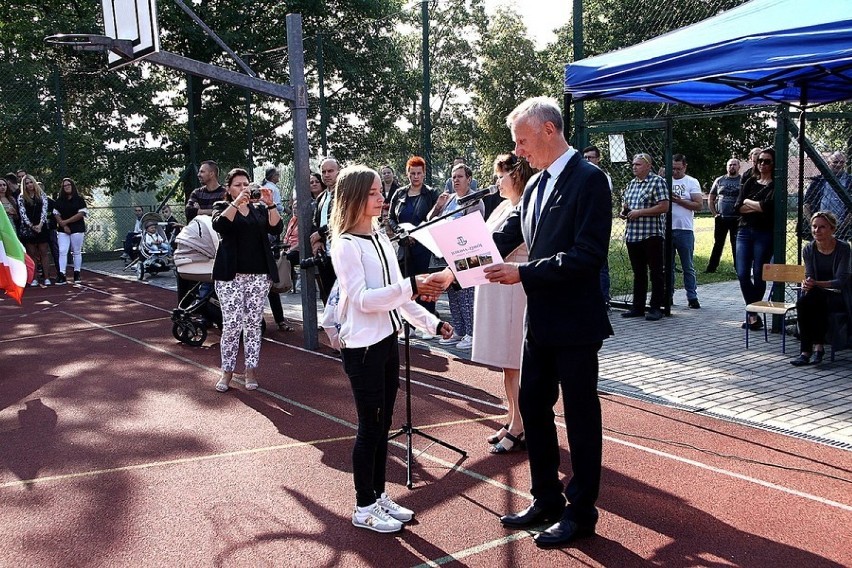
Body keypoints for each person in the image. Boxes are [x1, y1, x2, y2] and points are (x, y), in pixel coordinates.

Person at [431, 97, 612, 548]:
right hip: (540, 322)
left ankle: (581, 512)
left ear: (550, 130)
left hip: (575, 322)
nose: (519, 151)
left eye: (523, 140)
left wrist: (524, 273)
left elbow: (588, 256)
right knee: (532, 407)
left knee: (581, 415)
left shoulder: (591, 181)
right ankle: (546, 498)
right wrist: (449, 274)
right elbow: (503, 240)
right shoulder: (532, 188)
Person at [326, 165, 452, 533]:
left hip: (385, 343)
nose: (382, 198)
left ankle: (378, 495)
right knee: (370, 427)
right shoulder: (345, 244)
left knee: (382, 426)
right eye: (374, 193)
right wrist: (411, 285)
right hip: (361, 348)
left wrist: (431, 323)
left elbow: (399, 294)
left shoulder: (380, 238)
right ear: (354, 198)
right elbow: (365, 300)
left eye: (381, 191)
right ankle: (363, 506)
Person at [472, 153, 534, 454]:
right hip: (496, 287)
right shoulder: (501, 206)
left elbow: (498, 244)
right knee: (507, 365)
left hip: (513, 290)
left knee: (515, 361)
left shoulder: (525, 207)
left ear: (516, 176)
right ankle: (513, 417)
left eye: (502, 175)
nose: (497, 180)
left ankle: (522, 426)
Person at [211, 168, 283, 392]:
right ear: (229, 189)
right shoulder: (222, 207)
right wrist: (236, 204)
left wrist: (270, 203)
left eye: (246, 184)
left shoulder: (259, 209)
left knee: (253, 324)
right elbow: (220, 226)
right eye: (237, 185)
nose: (243, 188)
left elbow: (277, 227)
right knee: (232, 324)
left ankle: (250, 369)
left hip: (259, 275)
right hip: (230, 276)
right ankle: (227, 372)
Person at [428, 163, 484, 350]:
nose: (456, 180)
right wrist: (438, 206)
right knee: (453, 296)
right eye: (453, 177)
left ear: (469, 179)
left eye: (460, 176)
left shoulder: (474, 200)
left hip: (466, 256)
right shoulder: (449, 199)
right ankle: (459, 331)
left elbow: (473, 228)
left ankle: (472, 334)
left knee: (466, 297)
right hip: (447, 255)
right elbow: (430, 220)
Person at [387, 156, 439, 337]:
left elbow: (436, 217)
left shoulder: (431, 193)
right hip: (404, 245)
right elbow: (391, 218)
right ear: (407, 174)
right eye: (412, 173)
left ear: (424, 174)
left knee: (426, 282)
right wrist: (398, 230)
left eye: (419, 173)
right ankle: (409, 324)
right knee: (406, 284)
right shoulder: (399, 194)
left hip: (423, 245)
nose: (415, 177)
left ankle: (429, 322)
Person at [790, 212, 851, 366]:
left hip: (839, 295)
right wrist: (808, 283)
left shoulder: (843, 248)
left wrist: (815, 283)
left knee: (812, 302)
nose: (817, 230)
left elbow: (841, 280)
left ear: (832, 229)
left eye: (822, 227)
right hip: (817, 295)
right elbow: (810, 275)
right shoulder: (809, 249)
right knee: (805, 303)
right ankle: (813, 349)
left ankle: (811, 350)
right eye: (814, 226)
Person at [621, 153, 669, 321]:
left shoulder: (657, 182)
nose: (634, 167)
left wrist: (640, 212)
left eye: (638, 164)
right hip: (633, 235)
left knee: (656, 272)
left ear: (648, 166)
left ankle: (656, 307)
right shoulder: (631, 184)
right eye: (633, 164)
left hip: (651, 234)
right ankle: (638, 307)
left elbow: (664, 207)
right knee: (638, 273)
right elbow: (626, 206)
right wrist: (625, 212)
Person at [736, 148, 776, 330]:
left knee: (759, 272)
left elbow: (767, 208)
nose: (762, 164)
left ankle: (752, 315)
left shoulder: (776, 184)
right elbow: (737, 207)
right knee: (743, 273)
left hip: (764, 232)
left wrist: (748, 202)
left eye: (767, 161)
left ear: (773, 163)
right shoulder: (750, 181)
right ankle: (753, 313)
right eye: (760, 161)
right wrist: (755, 206)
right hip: (744, 231)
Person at [669, 154, 703, 309]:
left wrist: (679, 201)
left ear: (685, 166)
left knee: (687, 266)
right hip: (667, 228)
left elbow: (698, 205)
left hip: (684, 229)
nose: (675, 172)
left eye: (678, 168)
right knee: (667, 266)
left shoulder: (691, 182)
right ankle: (667, 295)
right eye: (673, 168)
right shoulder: (664, 181)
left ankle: (692, 296)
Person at [583, 145, 613, 308]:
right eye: (585, 157)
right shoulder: (581, 176)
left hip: (598, 226)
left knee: (601, 264)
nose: (587, 160)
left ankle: (604, 299)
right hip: (583, 227)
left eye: (591, 157)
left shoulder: (602, 177)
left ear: (598, 159)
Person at [310, 158, 341, 303]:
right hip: (325, 254)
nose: (327, 174)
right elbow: (315, 222)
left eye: (330, 171)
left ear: (338, 172)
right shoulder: (321, 197)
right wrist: (317, 241)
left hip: (342, 251)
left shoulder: (343, 194)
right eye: (323, 171)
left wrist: (320, 233)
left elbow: (341, 220)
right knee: (328, 294)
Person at [17, 175, 57, 286]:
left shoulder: (42, 195)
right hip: (29, 228)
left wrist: (40, 225)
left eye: (31, 182)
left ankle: (46, 277)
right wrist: (31, 225)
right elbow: (22, 213)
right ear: (23, 185)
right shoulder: (21, 197)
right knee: (32, 253)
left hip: (41, 227)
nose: (29, 185)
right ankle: (34, 278)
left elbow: (44, 211)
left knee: (44, 252)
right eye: (26, 183)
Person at [803, 152, 852, 241]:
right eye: (835, 162)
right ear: (828, 163)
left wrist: (843, 226)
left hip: (841, 224)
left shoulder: (850, 181)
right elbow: (806, 204)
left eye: (842, 162)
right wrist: (813, 223)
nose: (839, 165)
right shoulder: (818, 181)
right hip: (820, 223)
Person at [706, 158, 742, 273]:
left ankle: (738, 268)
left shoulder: (742, 180)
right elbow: (711, 198)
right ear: (727, 167)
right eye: (730, 165)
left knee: (736, 244)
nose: (732, 167)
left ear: (739, 167)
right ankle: (711, 268)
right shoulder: (719, 180)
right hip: (721, 218)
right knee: (718, 243)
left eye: (734, 165)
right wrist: (714, 214)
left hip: (737, 219)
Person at [52, 178, 88, 284]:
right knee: (62, 250)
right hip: (63, 230)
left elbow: (81, 214)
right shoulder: (59, 201)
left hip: (77, 228)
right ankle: (62, 274)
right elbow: (56, 213)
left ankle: (77, 273)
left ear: (72, 186)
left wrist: (66, 222)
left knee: (76, 251)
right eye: (64, 185)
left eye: (68, 185)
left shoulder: (79, 200)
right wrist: (63, 224)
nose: (67, 187)